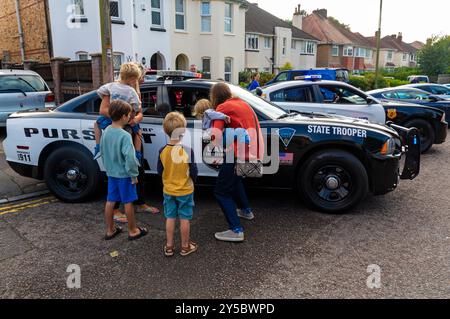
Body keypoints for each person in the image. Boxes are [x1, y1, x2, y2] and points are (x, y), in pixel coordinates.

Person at [209, 83, 264, 242]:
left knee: (221, 191)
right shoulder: (242, 103)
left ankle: (236, 230)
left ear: (215, 97)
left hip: (236, 154)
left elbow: (215, 136)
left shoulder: (222, 108)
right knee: (236, 180)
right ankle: (246, 210)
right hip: (253, 152)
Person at [101, 100, 148, 241]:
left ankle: (110, 230)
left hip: (111, 173)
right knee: (128, 201)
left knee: (111, 200)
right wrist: (134, 175)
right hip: (125, 174)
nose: (130, 117)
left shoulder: (107, 131)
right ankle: (133, 230)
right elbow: (130, 158)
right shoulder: (125, 135)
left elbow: (103, 151)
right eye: (129, 115)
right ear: (123, 117)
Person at [158, 112, 198, 257]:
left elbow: (159, 170)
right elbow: (194, 171)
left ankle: (169, 246)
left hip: (169, 189)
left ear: (165, 130)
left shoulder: (162, 151)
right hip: (185, 190)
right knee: (185, 218)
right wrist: (192, 181)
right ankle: (185, 246)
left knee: (170, 217)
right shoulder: (187, 151)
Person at [95, 62, 143, 161]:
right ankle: (137, 155)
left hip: (111, 119)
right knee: (138, 132)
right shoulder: (131, 91)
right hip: (126, 120)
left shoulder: (111, 86)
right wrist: (132, 116)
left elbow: (100, 91)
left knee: (96, 124)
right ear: (133, 78)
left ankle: (98, 147)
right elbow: (137, 106)